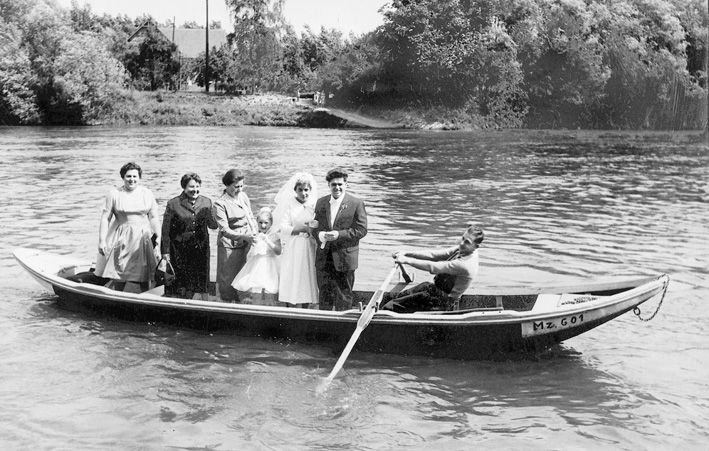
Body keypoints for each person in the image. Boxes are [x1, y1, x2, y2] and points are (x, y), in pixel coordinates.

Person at [381, 225, 484, 313]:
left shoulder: (465, 264)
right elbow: (433, 255)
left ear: (476, 246)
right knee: (392, 297)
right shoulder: (463, 249)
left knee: (389, 307)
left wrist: (406, 260)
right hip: (433, 288)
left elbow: (432, 267)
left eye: (467, 242)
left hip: (442, 301)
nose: (462, 243)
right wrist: (407, 253)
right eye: (462, 238)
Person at [95, 162, 160, 293]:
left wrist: (158, 236)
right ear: (123, 177)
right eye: (128, 176)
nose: (132, 179)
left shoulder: (147, 193)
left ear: (139, 178)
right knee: (119, 273)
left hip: (142, 237)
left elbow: (153, 217)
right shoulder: (114, 194)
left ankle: (142, 298)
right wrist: (102, 240)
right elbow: (105, 218)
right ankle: (117, 296)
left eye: (135, 176)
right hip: (121, 236)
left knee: (143, 274)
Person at [312, 168, 368, 311]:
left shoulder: (356, 203)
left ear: (346, 184)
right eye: (333, 185)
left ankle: (343, 330)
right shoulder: (321, 203)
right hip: (324, 259)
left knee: (344, 297)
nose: (337, 187)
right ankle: (325, 329)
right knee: (324, 297)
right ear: (329, 186)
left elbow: (361, 230)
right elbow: (315, 227)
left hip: (345, 258)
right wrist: (319, 235)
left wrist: (339, 235)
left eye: (340, 184)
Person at [160, 173, 217, 300]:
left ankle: (201, 302)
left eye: (197, 186)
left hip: (201, 249)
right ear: (184, 187)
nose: (195, 190)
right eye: (191, 187)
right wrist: (165, 252)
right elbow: (165, 230)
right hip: (180, 249)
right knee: (181, 281)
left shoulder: (207, 202)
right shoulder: (173, 203)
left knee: (200, 280)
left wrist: (214, 214)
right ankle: (180, 301)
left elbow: (213, 226)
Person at [273, 172, 319, 308]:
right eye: (300, 190)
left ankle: (305, 304)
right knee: (293, 273)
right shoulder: (289, 204)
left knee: (306, 275)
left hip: (309, 245)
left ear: (310, 190)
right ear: (295, 190)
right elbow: (283, 227)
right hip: (294, 244)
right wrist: (302, 229)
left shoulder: (314, 205)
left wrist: (313, 229)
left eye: (306, 190)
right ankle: (291, 303)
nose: (304, 193)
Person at [213, 169, 257, 302]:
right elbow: (225, 230)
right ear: (227, 186)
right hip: (229, 245)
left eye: (241, 186)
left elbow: (250, 216)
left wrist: (256, 233)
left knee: (244, 277)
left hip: (246, 243)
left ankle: (243, 302)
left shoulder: (243, 197)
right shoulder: (220, 204)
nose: (239, 189)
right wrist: (245, 237)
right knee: (227, 280)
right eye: (236, 187)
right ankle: (226, 304)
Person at [232, 207, 282, 305]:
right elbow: (250, 254)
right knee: (256, 291)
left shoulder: (274, 236)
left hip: (270, 266)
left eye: (266, 223)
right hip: (257, 266)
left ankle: (269, 312)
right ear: (257, 222)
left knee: (270, 292)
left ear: (271, 223)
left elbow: (278, 251)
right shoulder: (255, 235)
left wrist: (268, 241)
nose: (263, 225)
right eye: (260, 222)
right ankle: (256, 310)